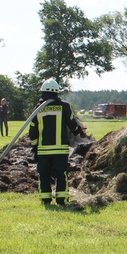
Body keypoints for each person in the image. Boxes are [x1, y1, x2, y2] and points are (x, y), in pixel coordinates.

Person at [29, 78, 86, 206]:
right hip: (60, 149)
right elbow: (72, 123)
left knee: (44, 174)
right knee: (61, 174)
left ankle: (45, 199)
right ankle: (61, 200)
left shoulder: (38, 108)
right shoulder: (64, 106)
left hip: (43, 149)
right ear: (56, 92)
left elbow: (32, 131)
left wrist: (34, 147)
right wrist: (80, 132)